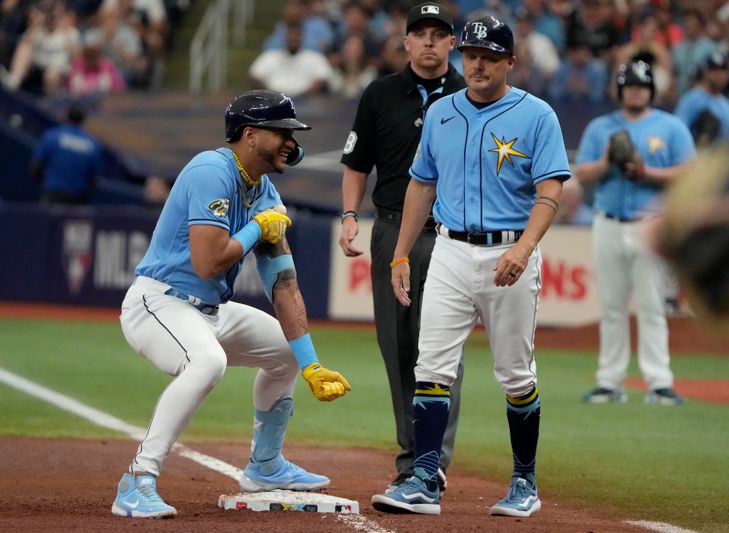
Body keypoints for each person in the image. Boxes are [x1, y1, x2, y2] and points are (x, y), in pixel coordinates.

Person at [111, 90, 351, 519]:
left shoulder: (265, 192)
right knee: (208, 363)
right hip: (158, 303)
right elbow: (207, 263)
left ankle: (265, 467)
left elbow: (284, 283)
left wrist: (311, 362)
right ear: (251, 134)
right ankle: (137, 478)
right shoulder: (211, 169)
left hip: (210, 312)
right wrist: (258, 228)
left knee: (286, 353)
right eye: (283, 133)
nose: (292, 144)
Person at [371, 15, 570, 517]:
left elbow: (550, 192)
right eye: (471, 55)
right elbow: (421, 184)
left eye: (489, 56)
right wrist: (400, 253)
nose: (477, 64)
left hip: (509, 252)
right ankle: (424, 479)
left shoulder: (537, 115)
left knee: (515, 374)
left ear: (509, 61)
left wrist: (524, 248)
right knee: (431, 366)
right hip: (451, 251)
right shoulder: (442, 112)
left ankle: (524, 483)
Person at [338, 2, 466, 495]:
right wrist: (350, 215)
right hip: (392, 228)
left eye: (439, 33)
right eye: (421, 33)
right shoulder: (379, 94)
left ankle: (433, 460)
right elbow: (356, 162)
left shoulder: (469, 93)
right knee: (397, 346)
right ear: (405, 42)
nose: (430, 42)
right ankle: (411, 456)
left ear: (452, 42)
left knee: (445, 347)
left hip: (452, 234)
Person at [574, 61, 695, 406]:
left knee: (652, 306)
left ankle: (659, 383)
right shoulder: (601, 127)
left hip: (650, 225)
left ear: (651, 91)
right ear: (620, 90)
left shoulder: (670, 127)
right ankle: (609, 382)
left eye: (642, 86)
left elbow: (690, 172)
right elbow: (581, 173)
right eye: (629, 86)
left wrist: (647, 173)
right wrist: (606, 162)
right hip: (608, 222)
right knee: (611, 307)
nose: (635, 91)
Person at [29, 106, 103, 205]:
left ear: (66, 117)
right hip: (78, 199)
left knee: (49, 220)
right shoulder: (93, 145)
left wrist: (45, 182)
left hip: (53, 195)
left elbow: (36, 167)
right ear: (82, 120)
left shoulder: (51, 136)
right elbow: (93, 178)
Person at [675, 51, 729, 148]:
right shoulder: (691, 99)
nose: (719, 75)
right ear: (706, 72)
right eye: (714, 70)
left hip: (722, 159)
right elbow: (678, 133)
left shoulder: (727, 105)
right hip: (698, 158)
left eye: (723, 70)